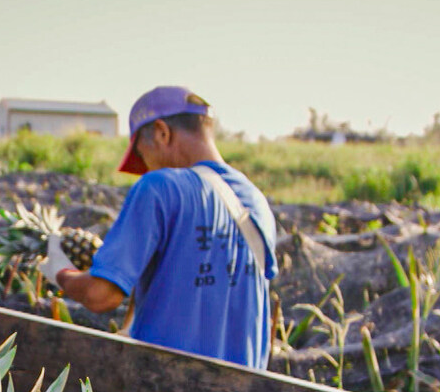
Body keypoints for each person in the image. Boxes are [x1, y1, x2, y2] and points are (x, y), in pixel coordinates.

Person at [55, 86, 278, 368]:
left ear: (162, 132)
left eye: (142, 154)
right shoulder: (256, 200)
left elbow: (101, 295)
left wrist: (60, 273)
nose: (146, 167)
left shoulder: (159, 187)